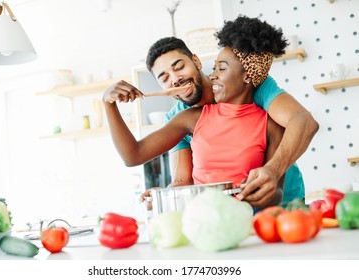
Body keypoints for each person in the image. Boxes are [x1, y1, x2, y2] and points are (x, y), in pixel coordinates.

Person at [103, 15, 312, 208]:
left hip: (283, 202)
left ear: (196, 61)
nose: (175, 79)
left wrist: (272, 173)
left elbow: (302, 121)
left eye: (179, 67)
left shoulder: (257, 88)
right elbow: (180, 180)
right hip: (220, 214)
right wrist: (165, 196)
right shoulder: (184, 118)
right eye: (164, 78)